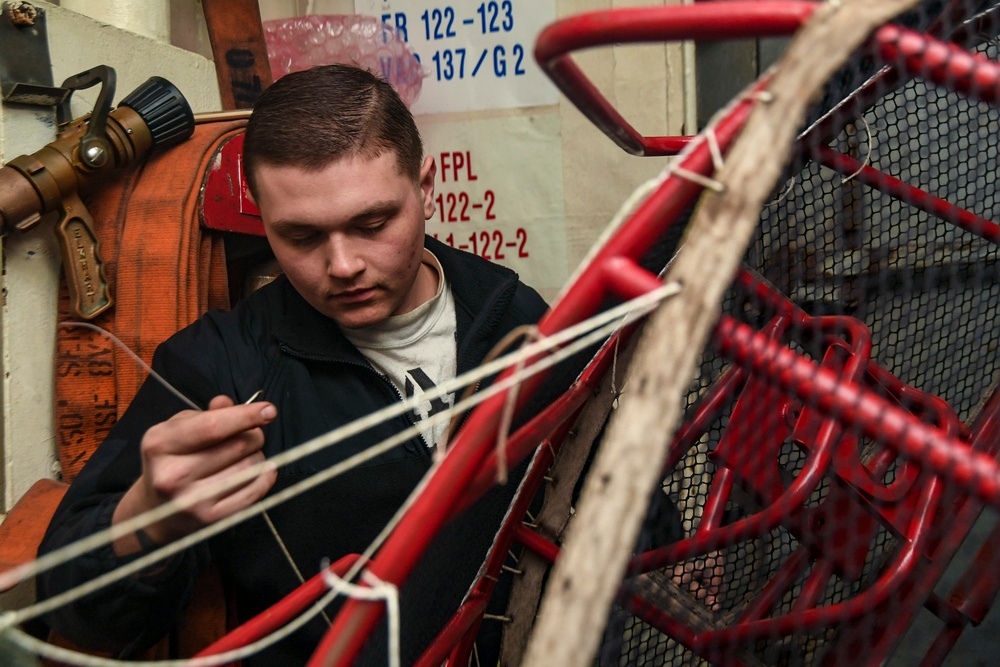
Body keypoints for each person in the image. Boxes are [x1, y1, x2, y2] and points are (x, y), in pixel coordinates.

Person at [37, 63, 553, 665]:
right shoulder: (219, 364)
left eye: (372, 223)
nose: (342, 265)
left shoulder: (511, 308)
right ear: (264, 217)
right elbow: (71, 606)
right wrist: (147, 518)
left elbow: (597, 474)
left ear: (425, 187)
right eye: (302, 237)